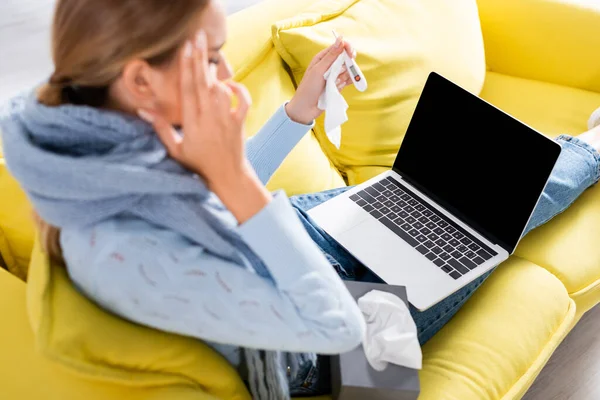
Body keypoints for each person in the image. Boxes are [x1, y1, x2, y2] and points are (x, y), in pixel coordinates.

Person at [2, 0, 600, 398]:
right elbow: (336, 330)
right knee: (487, 210)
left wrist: (298, 112)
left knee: (428, 189)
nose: (227, 78)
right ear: (138, 80)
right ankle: (593, 149)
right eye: (211, 59)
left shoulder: (88, 149)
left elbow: (207, 207)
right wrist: (233, 176)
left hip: (286, 236)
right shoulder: (123, 254)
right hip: (317, 330)